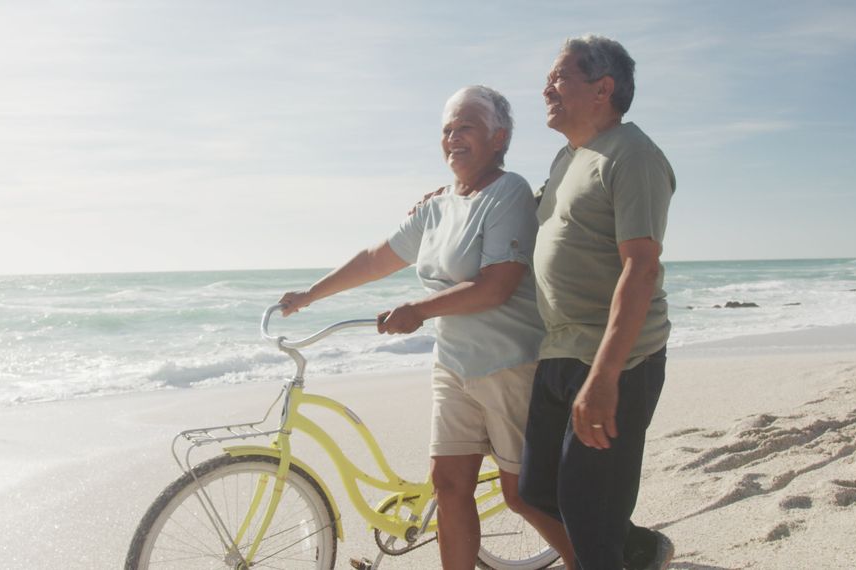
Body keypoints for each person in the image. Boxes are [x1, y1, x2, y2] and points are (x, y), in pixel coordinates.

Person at [278, 85, 575, 570]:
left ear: (499, 138)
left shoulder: (508, 192)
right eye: (447, 129)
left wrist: (418, 309)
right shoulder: (437, 206)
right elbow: (378, 258)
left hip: (509, 364)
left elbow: (497, 285)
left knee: (523, 496)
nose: (453, 137)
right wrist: (311, 294)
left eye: (467, 127)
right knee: (449, 485)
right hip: (453, 365)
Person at [516, 35, 677, 570]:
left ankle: (618, 548)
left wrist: (605, 377)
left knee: (588, 511)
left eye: (559, 78)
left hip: (618, 361)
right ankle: (639, 549)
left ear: (602, 88)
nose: (546, 88)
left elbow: (641, 266)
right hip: (560, 349)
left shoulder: (634, 155)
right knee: (536, 490)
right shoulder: (569, 157)